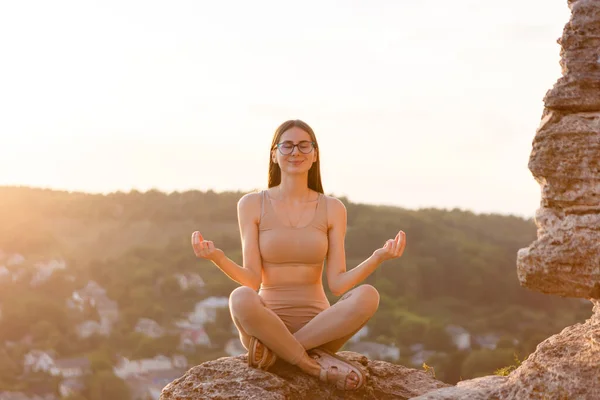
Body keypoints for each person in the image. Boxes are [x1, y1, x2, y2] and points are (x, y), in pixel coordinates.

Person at [191, 119, 406, 391]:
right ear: (274, 154)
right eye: (287, 145)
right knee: (240, 297)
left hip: (319, 327)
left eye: (305, 145)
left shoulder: (332, 208)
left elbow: (338, 284)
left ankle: (281, 354)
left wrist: (378, 257)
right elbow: (252, 280)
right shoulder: (252, 204)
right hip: (266, 326)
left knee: (368, 295)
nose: (296, 152)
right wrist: (217, 257)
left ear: (315, 154)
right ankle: (311, 365)